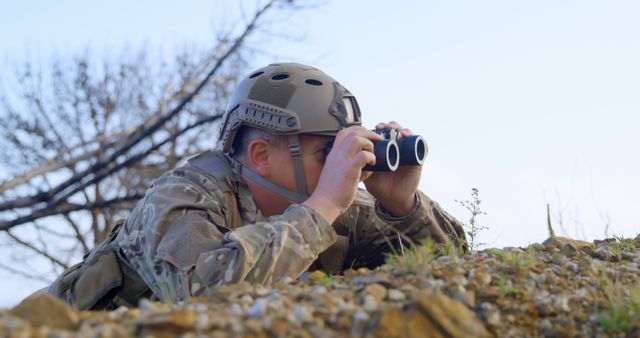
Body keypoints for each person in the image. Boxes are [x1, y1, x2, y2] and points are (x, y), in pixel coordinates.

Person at [44, 62, 467, 310]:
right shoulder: (182, 198)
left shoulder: (337, 206)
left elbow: (452, 274)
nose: (346, 169)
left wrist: (402, 208)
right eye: (329, 154)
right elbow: (203, 297)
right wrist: (321, 208)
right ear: (262, 155)